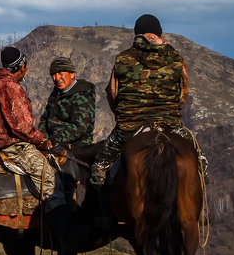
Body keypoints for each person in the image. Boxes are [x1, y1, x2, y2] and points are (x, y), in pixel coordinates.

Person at [90, 14, 206, 185]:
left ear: (137, 34)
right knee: (200, 163)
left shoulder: (122, 59)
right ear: (159, 34)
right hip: (169, 123)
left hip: (130, 125)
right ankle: (204, 173)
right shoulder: (176, 59)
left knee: (99, 170)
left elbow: (112, 94)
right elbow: (183, 96)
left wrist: (121, 115)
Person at [0, 46, 53, 183]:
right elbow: (22, 126)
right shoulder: (10, 86)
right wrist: (42, 141)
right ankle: (51, 204)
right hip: (13, 147)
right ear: (22, 67)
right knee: (49, 177)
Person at [39, 56, 96, 149]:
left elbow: (78, 128)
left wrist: (53, 141)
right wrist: (42, 139)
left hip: (75, 147)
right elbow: (44, 119)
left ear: (72, 74)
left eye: (61, 74)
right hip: (52, 144)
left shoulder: (82, 97)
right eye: (53, 74)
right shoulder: (56, 94)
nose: (57, 78)